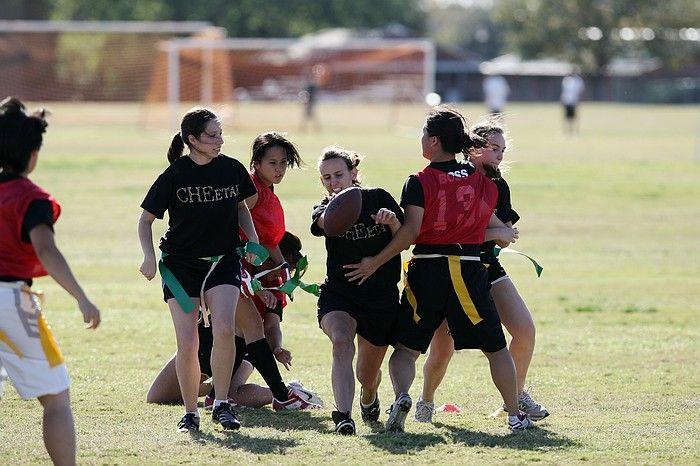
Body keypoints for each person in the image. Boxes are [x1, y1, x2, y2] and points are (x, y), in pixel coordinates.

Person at [344, 105, 534, 432]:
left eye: (422, 133)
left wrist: (375, 261)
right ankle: (516, 416)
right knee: (496, 347)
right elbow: (494, 227)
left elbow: (411, 233)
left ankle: (403, 395)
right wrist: (500, 233)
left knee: (407, 349)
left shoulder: (418, 180)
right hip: (469, 269)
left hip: (428, 268)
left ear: (432, 141)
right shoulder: (478, 177)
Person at [413, 120, 549, 424]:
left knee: (524, 330)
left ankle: (516, 395)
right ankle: (426, 401)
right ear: (472, 148)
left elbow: (504, 234)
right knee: (442, 349)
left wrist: (494, 231)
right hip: (453, 266)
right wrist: (492, 231)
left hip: (487, 266)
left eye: (503, 149)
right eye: (493, 148)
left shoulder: (498, 184)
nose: (500, 154)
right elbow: (478, 233)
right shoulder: (455, 176)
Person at [138, 107, 259, 433]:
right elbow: (145, 220)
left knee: (223, 329)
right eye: (212, 135)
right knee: (188, 341)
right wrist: (148, 257)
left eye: (221, 133)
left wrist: (254, 239)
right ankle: (190, 412)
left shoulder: (232, 169)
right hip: (178, 269)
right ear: (192, 139)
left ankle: (221, 404)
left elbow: (241, 208)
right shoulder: (175, 175)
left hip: (223, 262)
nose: (220, 140)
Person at [0, 96, 101, 466]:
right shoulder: (30, 197)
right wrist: (82, 297)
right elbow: (45, 248)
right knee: (56, 396)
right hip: (10, 299)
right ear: (32, 154)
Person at [145, 232, 323, 410]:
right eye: (274, 265)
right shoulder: (233, 269)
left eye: (284, 270)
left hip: (245, 348)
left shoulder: (274, 288)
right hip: (204, 343)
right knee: (157, 397)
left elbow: (271, 325)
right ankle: (214, 389)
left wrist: (276, 347)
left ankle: (287, 393)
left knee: (232, 395)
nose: (276, 274)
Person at [311, 146, 416, 435]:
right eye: (326, 177)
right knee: (341, 342)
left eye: (338, 175)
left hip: (380, 300)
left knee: (367, 376)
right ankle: (343, 417)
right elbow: (323, 223)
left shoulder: (379, 198)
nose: (333, 182)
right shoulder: (324, 208)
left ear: (354, 174)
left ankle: (368, 397)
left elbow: (404, 240)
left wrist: (393, 221)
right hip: (339, 295)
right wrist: (332, 210)